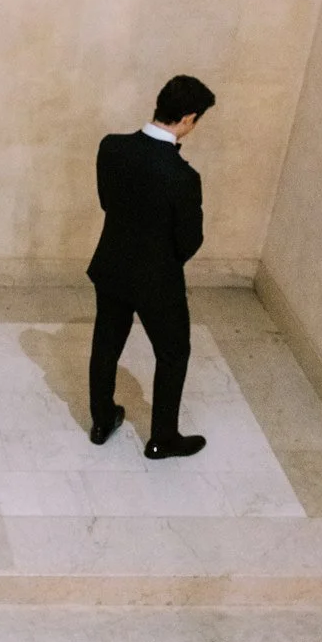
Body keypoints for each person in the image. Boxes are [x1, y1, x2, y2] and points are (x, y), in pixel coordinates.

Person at [85, 76, 216, 459]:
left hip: (111, 265)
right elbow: (189, 241)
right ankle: (162, 438)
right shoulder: (183, 178)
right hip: (158, 280)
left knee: (106, 344)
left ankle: (101, 420)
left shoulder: (112, 147)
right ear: (189, 118)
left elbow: (108, 201)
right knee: (173, 352)